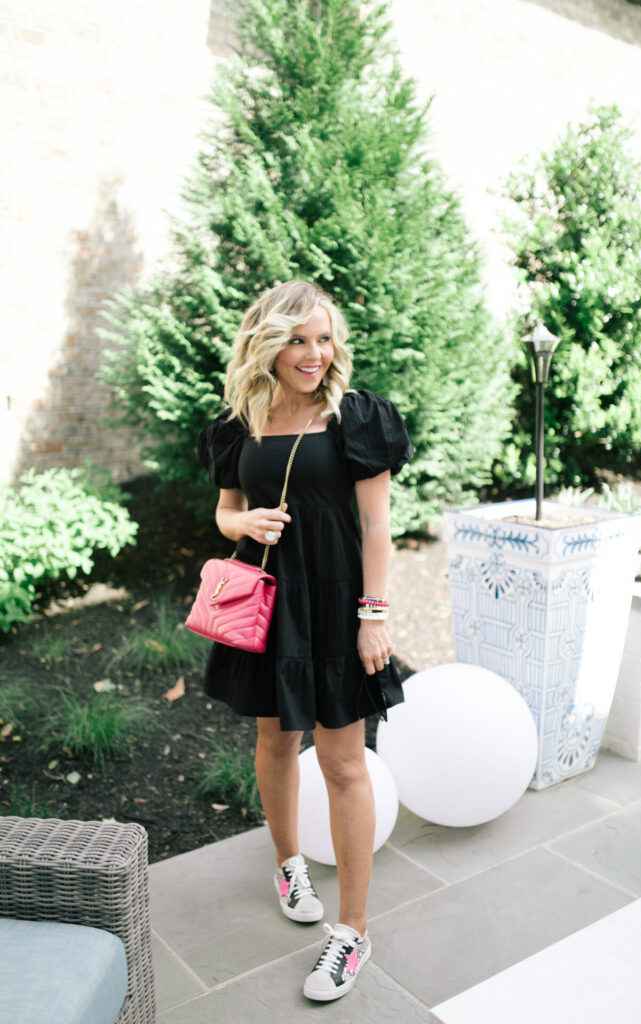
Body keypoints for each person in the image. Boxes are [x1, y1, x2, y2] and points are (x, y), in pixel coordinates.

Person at [197, 280, 413, 1002]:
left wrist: (372, 614)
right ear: (267, 343)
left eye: (323, 339)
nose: (314, 354)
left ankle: (350, 933)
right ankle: (288, 864)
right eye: (297, 339)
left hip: (333, 606)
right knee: (273, 739)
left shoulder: (356, 417)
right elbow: (224, 513)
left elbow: (377, 526)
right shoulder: (240, 422)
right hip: (267, 605)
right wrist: (243, 525)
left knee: (345, 762)